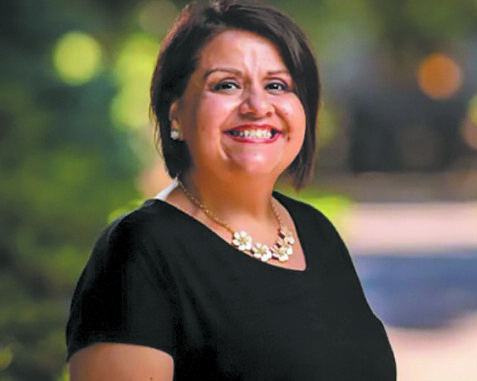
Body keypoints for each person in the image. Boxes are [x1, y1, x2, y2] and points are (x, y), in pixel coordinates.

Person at [65, 0, 396, 379]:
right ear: (176, 114)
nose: (258, 106)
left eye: (277, 85)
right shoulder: (139, 251)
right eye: (226, 85)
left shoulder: (314, 230)